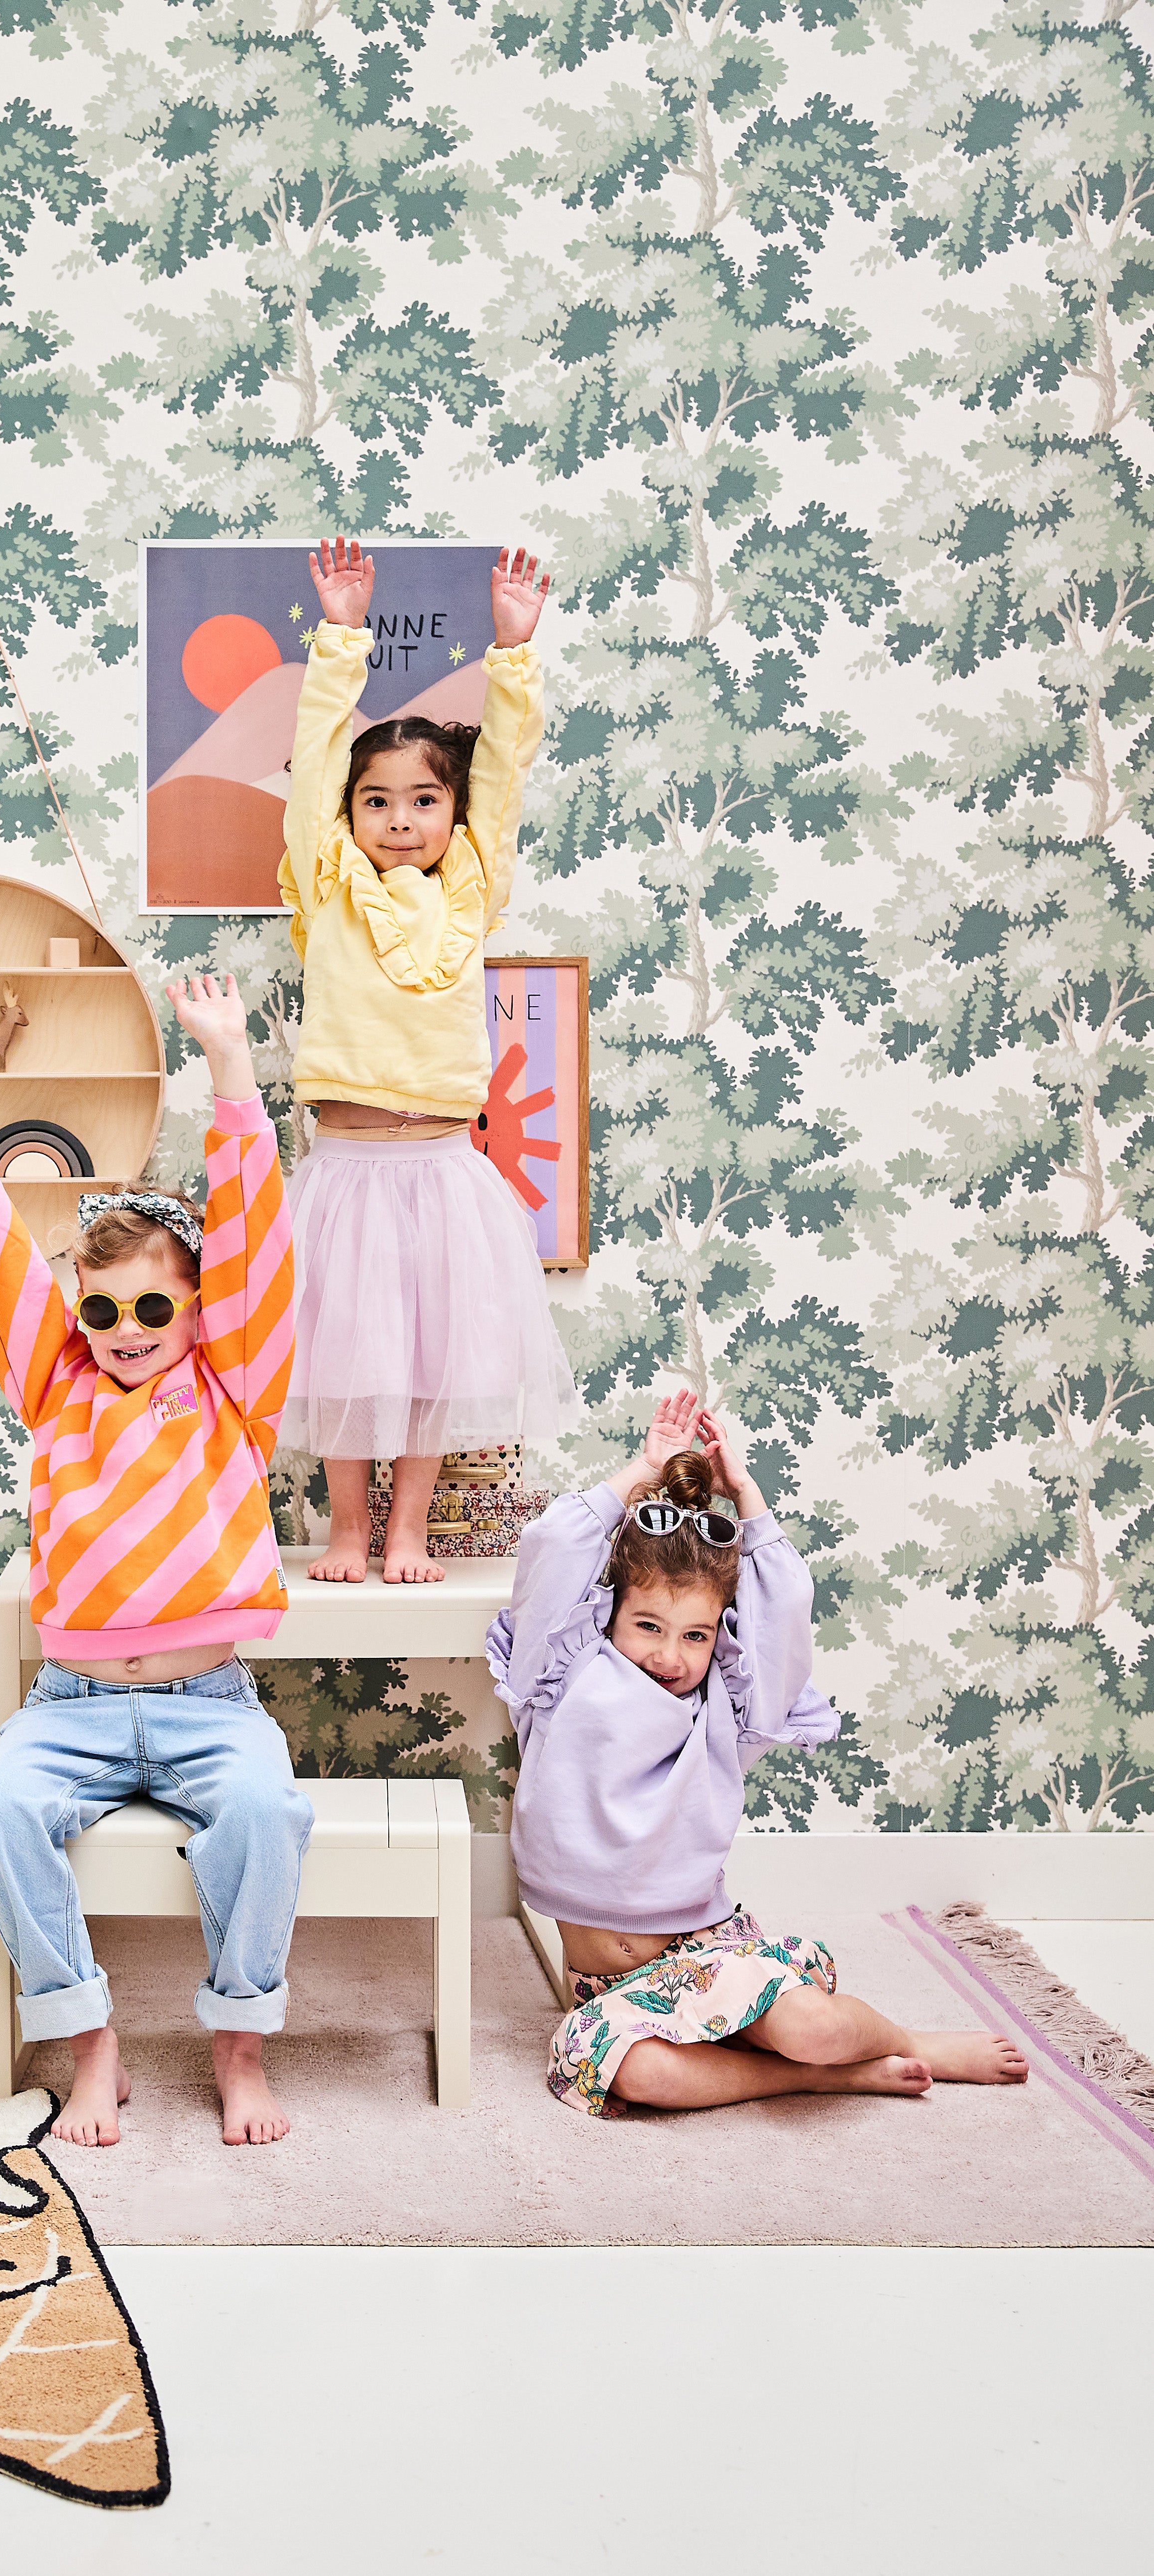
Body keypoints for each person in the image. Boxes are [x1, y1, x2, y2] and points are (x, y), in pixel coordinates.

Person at [0, 972, 311, 2149]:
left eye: (152, 1311)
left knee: (265, 1814)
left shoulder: (236, 1389)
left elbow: (257, 1245)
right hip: (71, 1707)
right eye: (103, 1312)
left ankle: (239, 2047)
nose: (126, 1333)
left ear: (197, 1311)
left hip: (207, 1704)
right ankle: (92, 2045)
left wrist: (230, 1069)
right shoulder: (54, 1386)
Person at [488, 1390, 1030, 2116]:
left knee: (817, 2029)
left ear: (720, 1634)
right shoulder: (557, 1677)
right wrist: (642, 1471)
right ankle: (819, 2079)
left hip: (712, 1956)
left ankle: (907, 2040)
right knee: (643, 2078)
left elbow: (784, 1611)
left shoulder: (729, 1711)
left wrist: (745, 1494)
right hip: (610, 1991)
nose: (669, 1655)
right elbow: (552, 1550)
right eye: (647, 1626)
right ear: (610, 1612)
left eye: (696, 1635)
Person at [278, 535, 580, 1586]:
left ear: (452, 816)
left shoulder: (470, 886)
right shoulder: (327, 880)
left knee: (425, 1367)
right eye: (377, 801)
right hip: (348, 1170)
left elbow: (503, 771)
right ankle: (347, 1533)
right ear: (347, 814)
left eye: (423, 801)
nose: (400, 819)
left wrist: (513, 651)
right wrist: (342, 637)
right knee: (346, 1362)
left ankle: (406, 1531)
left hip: (444, 1169)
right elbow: (315, 758)